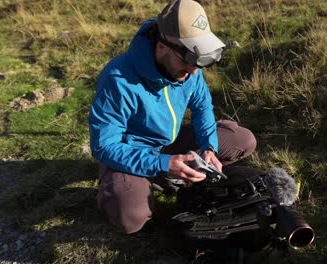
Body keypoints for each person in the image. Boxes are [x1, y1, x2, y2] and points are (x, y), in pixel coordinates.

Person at [89, 0, 256, 234]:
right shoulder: (118, 79)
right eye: (187, 58)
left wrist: (209, 148)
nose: (194, 70)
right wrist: (161, 164)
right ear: (161, 46)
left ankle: (172, 176)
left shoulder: (189, 70)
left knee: (242, 140)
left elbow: (202, 108)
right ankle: (129, 183)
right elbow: (104, 146)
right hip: (131, 152)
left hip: (170, 144)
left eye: (199, 58)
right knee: (130, 218)